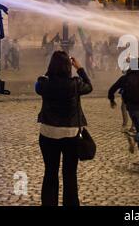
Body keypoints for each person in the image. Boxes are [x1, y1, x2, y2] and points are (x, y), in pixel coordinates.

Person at [35, 51, 93, 206]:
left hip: (48, 133)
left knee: (50, 172)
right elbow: (90, 86)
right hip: (70, 134)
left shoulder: (44, 83)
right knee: (69, 174)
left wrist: (50, 70)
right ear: (68, 67)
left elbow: (38, 84)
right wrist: (79, 68)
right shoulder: (75, 84)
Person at [108, 58, 139, 162]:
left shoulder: (125, 78)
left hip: (130, 109)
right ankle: (134, 138)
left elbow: (112, 90)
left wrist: (112, 100)